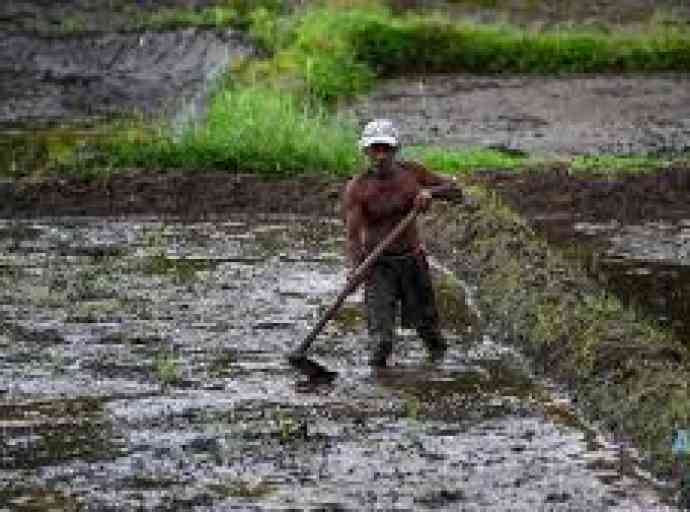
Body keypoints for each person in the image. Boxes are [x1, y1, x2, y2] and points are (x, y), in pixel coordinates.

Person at [342, 118, 462, 367]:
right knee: (381, 343)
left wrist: (430, 193)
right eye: (375, 149)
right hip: (378, 267)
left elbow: (456, 191)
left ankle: (436, 378)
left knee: (430, 334)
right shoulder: (358, 188)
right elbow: (353, 237)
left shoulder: (412, 173)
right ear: (366, 150)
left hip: (412, 262)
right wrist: (354, 269)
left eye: (386, 148)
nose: (381, 155)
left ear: (396, 149)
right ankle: (380, 390)